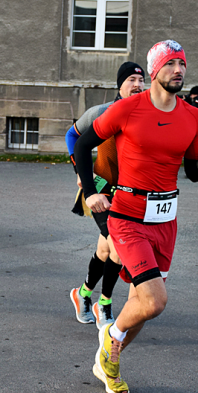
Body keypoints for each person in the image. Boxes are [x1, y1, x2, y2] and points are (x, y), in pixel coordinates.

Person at [74, 40, 198, 393]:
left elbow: (190, 171)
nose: (178, 71)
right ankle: (110, 341)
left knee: (143, 304)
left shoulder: (193, 116)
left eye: (182, 64)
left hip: (165, 220)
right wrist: (91, 190)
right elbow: (80, 143)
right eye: (171, 64)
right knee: (156, 301)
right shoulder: (128, 109)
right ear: (155, 71)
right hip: (127, 215)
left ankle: (107, 360)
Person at [65, 62, 146, 329]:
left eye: (141, 79)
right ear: (120, 85)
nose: (137, 84)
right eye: (131, 79)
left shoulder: (146, 114)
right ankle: (105, 304)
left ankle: (82, 294)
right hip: (100, 188)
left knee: (105, 248)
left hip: (127, 193)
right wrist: (80, 170)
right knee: (118, 246)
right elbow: (72, 135)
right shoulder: (103, 112)